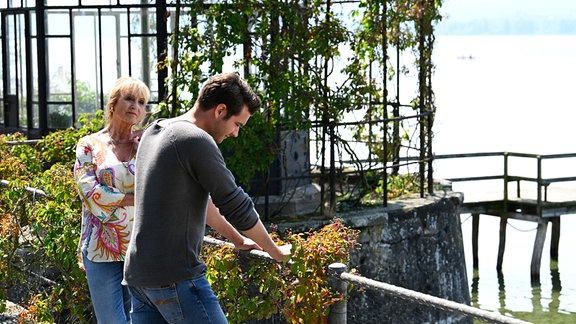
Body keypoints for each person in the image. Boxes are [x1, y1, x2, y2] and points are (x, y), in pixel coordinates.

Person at [75, 76, 259, 324]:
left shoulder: (149, 141)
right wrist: (146, 196)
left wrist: (237, 238)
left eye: (142, 102)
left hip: (140, 249)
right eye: (129, 99)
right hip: (102, 247)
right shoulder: (90, 145)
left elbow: (190, 195)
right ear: (113, 102)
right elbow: (91, 194)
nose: (135, 106)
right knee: (112, 321)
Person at [123, 72, 292, 324]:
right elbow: (236, 204)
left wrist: (238, 239)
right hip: (175, 277)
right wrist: (275, 251)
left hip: (139, 276)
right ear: (221, 110)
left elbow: (205, 205)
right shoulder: (195, 139)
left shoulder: (156, 129)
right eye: (238, 125)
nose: (236, 134)